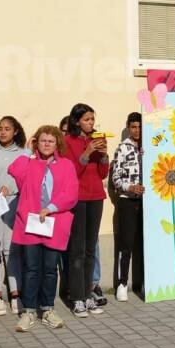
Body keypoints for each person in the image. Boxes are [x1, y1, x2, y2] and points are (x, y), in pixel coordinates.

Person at [10, 126, 79, 331]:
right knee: (31, 268)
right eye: (42, 140)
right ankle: (29, 311)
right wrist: (26, 150)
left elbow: (71, 192)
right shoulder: (28, 163)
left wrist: (50, 208)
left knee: (50, 269)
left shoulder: (66, 165)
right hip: (31, 224)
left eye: (51, 140)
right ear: (36, 143)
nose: (47, 144)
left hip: (54, 223)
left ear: (57, 143)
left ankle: (48, 309)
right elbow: (13, 169)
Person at [63, 103, 109, 318]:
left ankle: (88, 293)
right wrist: (87, 151)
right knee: (77, 249)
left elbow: (102, 173)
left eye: (92, 119)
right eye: (87, 119)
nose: (91, 123)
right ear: (76, 121)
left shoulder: (96, 139)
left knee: (91, 248)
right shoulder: (68, 141)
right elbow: (72, 170)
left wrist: (104, 155)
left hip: (96, 196)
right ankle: (76, 297)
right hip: (78, 198)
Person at [0, 118, 26, 316]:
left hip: (13, 202)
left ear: (15, 131)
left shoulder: (23, 153)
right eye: (0, 129)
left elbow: (25, 179)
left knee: (10, 249)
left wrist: (10, 189)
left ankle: (15, 293)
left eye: (7, 129)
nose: (3, 132)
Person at [110, 113, 144, 301]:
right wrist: (129, 187)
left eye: (140, 127)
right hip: (128, 200)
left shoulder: (153, 146)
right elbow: (115, 177)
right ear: (128, 128)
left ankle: (148, 282)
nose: (137, 131)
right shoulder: (122, 148)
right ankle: (122, 283)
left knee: (147, 243)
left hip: (149, 203)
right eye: (134, 127)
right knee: (126, 243)